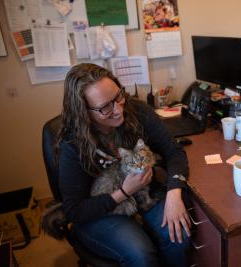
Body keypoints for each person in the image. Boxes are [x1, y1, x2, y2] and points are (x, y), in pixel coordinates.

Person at [55, 63, 191, 267]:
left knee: (178, 232)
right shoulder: (72, 145)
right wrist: (124, 192)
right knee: (141, 254)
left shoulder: (137, 111)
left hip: (142, 195)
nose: (119, 109)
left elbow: (174, 152)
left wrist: (174, 194)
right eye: (105, 108)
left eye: (118, 96)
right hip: (98, 211)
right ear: (84, 112)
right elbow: (75, 211)